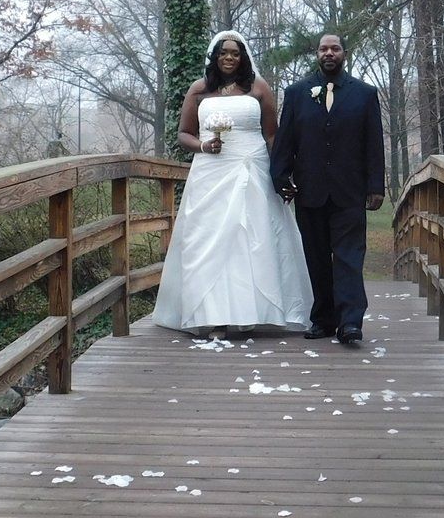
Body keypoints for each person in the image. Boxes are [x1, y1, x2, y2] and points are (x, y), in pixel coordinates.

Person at [152, 31, 312, 335]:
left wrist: (282, 172)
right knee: (209, 240)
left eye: (235, 53)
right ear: (215, 57)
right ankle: (213, 315)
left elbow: (272, 134)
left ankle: (250, 310)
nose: (229, 58)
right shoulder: (199, 90)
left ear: (243, 57)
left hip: (252, 168)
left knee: (253, 239)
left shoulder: (258, 88)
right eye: (223, 53)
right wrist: (202, 146)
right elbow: (184, 133)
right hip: (211, 170)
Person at [270, 33, 385, 345]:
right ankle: (323, 318)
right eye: (324, 49)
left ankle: (350, 323)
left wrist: (377, 185)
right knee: (317, 258)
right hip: (310, 189)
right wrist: (280, 178)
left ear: (344, 53)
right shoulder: (296, 94)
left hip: (350, 190)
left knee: (349, 256)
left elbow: (374, 143)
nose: (329, 53)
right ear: (317, 54)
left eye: (335, 48)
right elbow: (285, 142)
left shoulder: (364, 94)